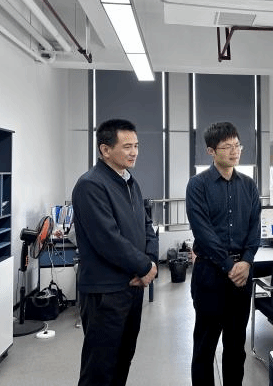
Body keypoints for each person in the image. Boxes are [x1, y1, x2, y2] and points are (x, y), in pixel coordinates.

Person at [72, 119, 158, 386]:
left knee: (123, 360)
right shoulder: (90, 185)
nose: (134, 152)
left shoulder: (131, 182)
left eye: (136, 146)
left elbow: (147, 226)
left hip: (132, 287)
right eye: (127, 146)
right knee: (100, 369)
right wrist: (145, 267)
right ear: (105, 150)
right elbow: (107, 239)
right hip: (105, 292)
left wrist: (151, 261)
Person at [185, 121, 261, 386]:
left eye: (237, 145)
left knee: (236, 346)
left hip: (242, 276)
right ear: (211, 151)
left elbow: (255, 228)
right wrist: (230, 265)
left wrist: (247, 262)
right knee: (204, 347)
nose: (234, 151)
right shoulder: (197, 185)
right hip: (210, 274)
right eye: (227, 146)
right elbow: (203, 232)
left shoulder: (249, 185)